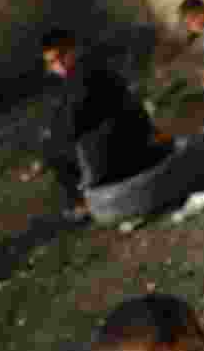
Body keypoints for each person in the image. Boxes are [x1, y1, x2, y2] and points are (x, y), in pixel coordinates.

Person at [41, 28, 171, 221]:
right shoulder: (93, 70)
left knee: (54, 151)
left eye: (62, 56)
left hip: (119, 153)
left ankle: (83, 204)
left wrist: (52, 139)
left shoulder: (82, 78)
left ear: (73, 50)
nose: (59, 64)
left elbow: (71, 124)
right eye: (52, 62)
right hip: (136, 143)